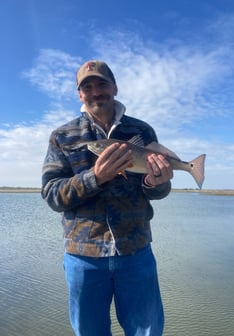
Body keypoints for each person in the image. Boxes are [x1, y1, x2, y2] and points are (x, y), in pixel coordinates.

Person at [41, 60, 173, 336]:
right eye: (87, 86)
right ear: (80, 94)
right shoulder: (62, 137)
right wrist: (95, 178)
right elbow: (52, 195)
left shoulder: (142, 131)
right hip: (83, 257)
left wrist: (157, 182)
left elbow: (156, 192)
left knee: (147, 331)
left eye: (102, 83)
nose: (95, 91)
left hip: (136, 250)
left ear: (114, 87)